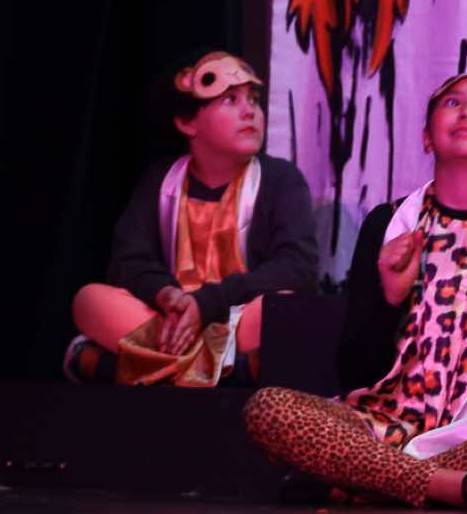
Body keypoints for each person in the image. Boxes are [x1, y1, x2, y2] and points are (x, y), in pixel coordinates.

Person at [242, 73, 467, 511]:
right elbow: (355, 376)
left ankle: (369, 482)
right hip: (384, 427)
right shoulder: (390, 225)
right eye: (452, 103)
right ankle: (456, 488)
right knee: (268, 409)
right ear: (427, 138)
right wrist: (389, 300)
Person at [67, 51, 316, 386]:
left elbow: (296, 267)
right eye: (230, 100)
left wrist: (206, 303)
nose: (249, 111)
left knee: (283, 308)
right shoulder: (160, 181)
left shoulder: (280, 180)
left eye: (253, 100)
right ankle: (229, 373)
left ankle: (127, 368)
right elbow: (129, 261)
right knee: (89, 300)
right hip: (171, 323)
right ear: (187, 123)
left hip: (237, 320)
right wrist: (168, 296)